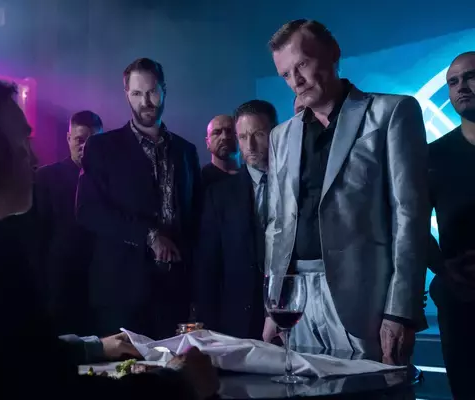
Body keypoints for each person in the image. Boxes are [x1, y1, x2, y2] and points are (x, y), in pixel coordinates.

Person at [0, 73, 218, 399]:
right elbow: (52, 393)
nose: (36, 157)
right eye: (24, 141)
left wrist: (92, 347)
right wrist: (179, 384)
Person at [264, 19, 429, 364]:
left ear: (333, 53)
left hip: (367, 300)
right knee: (302, 385)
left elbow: (409, 218)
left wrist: (401, 310)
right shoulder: (281, 135)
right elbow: (278, 225)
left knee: (375, 388)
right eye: (285, 74)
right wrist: (273, 304)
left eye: (302, 64)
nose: (295, 81)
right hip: (295, 299)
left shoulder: (391, 112)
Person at [76, 58, 202, 340]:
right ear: (126, 95)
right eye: (136, 93)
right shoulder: (102, 147)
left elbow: (194, 219)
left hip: (174, 292)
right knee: (125, 368)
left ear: (164, 90)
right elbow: (88, 210)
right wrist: (150, 235)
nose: (145, 101)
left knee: (174, 367)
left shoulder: (186, 151)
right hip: (121, 291)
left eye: (152, 91)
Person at [195, 100, 277, 340]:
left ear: (276, 132)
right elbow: (208, 264)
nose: (249, 145)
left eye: (258, 134)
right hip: (239, 320)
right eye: (242, 137)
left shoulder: (299, 184)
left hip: (291, 313)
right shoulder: (219, 195)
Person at [428, 51, 475, 398]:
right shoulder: (433, 155)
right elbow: (411, 224)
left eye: (470, 76)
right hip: (461, 300)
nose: (462, 87)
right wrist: (444, 270)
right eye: (453, 81)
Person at [34, 110, 103, 334]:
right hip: (59, 286)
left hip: (101, 286)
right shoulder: (45, 178)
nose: (85, 147)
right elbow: (37, 236)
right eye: (79, 140)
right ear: (68, 138)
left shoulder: (111, 181)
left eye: (92, 141)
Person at [202, 114, 239, 187]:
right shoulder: (199, 180)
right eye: (217, 132)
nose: (224, 137)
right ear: (207, 142)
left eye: (229, 131)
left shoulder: (253, 176)